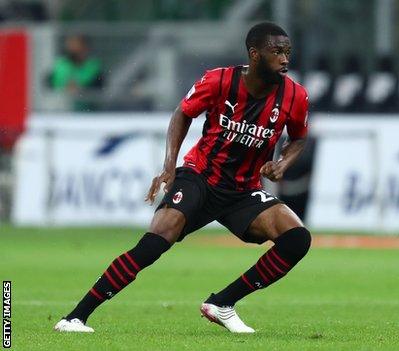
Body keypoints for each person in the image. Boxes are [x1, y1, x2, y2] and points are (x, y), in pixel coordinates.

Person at [54, 22, 311, 334]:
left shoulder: (295, 96)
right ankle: (75, 317)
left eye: (287, 52)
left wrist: (282, 163)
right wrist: (169, 165)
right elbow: (182, 113)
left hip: (243, 190)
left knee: (297, 238)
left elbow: (298, 138)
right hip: (200, 177)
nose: (285, 59)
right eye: (277, 52)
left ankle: (223, 303)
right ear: (255, 55)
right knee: (157, 240)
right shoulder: (219, 80)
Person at [49, 34, 103, 110]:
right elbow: (50, 83)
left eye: (75, 44)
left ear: (84, 47)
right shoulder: (62, 64)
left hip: (87, 110)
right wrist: (65, 87)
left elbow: (99, 87)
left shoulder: (93, 66)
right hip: (60, 109)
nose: (71, 47)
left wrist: (81, 89)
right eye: (70, 44)